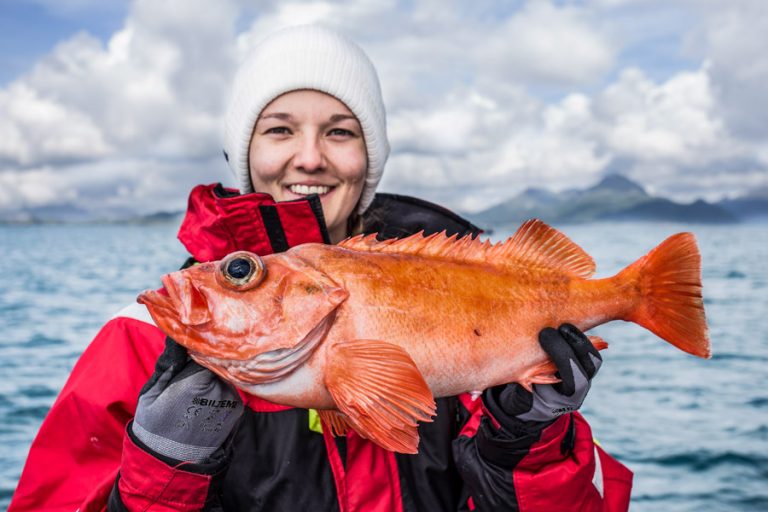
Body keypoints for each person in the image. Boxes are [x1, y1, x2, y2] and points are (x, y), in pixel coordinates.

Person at [10, 25, 632, 511]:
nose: (309, 158)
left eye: (339, 132)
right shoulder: (137, 338)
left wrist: (527, 444)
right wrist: (163, 466)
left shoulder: (472, 286)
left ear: (370, 156)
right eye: (279, 130)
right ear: (244, 151)